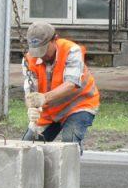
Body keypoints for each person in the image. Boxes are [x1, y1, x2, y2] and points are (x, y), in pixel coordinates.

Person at [21, 22, 100, 150]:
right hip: (50, 110)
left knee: (69, 145)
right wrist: (31, 107)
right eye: (37, 51)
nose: (41, 55)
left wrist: (44, 98)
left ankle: (69, 170)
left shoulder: (71, 50)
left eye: (44, 49)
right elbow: (30, 91)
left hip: (78, 105)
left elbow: (71, 84)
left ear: (55, 39)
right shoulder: (29, 59)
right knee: (28, 145)